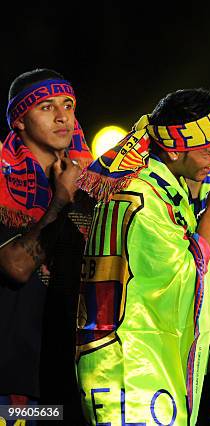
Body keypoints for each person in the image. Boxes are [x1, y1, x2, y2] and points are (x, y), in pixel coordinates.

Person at [75, 88, 210, 425]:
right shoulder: (141, 197)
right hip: (129, 374)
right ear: (172, 151)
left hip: (146, 362)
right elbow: (187, 276)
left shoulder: (162, 187)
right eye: (209, 152)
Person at [0, 69, 92, 424]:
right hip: (13, 384)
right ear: (19, 121)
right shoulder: (3, 184)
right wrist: (60, 200)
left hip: (68, 381)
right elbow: (16, 266)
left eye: (68, 105)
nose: (62, 116)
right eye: (46, 107)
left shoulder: (90, 187)